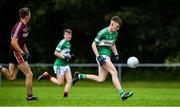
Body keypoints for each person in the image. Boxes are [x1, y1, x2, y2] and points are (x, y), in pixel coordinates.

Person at [72, 16, 133, 100]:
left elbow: (113, 44)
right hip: (102, 56)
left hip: (107, 57)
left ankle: (79, 76)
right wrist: (98, 56)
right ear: (112, 24)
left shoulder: (115, 34)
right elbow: (93, 44)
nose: (118, 29)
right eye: (117, 26)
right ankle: (122, 94)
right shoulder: (102, 33)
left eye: (119, 27)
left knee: (101, 79)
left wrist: (116, 54)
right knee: (114, 72)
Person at [0, 7, 38, 101]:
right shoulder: (19, 26)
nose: (30, 15)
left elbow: (22, 42)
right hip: (16, 53)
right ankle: (29, 97)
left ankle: (0, 67)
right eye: (29, 14)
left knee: (11, 76)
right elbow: (13, 42)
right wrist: (22, 53)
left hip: (16, 53)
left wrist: (27, 52)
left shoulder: (25, 27)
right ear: (26, 16)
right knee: (29, 74)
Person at [38, 29, 73, 97]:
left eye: (70, 34)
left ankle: (65, 96)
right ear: (64, 35)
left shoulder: (68, 43)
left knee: (70, 81)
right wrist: (64, 57)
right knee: (60, 83)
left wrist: (70, 56)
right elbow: (56, 53)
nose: (69, 36)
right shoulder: (62, 42)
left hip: (66, 65)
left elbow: (65, 54)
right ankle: (47, 76)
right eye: (67, 35)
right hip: (59, 65)